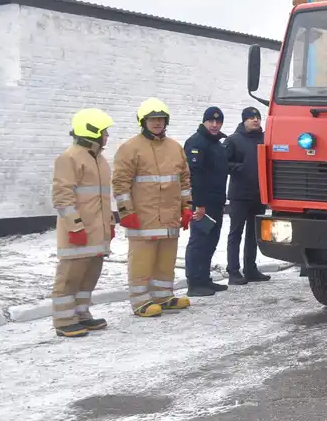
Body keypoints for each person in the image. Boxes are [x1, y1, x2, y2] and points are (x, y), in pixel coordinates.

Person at [113, 98, 193, 317]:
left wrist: (187, 207)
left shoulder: (175, 148)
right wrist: (125, 212)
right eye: (152, 119)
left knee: (166, 260)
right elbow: (120, 183)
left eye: (161, 119)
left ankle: (163, 296)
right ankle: (140, 301)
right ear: (143, 121)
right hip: (143, 217)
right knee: (142, 260)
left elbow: (184, 181)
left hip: (169, 217)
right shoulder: (130, 148)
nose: (157, 123)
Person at [50, 108, 116, 338]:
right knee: (70, 276)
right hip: (78, 231)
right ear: (92, 131)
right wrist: (74, 226)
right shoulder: (69, 158)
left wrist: (110, 223)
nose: (107, 136)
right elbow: (62, 196)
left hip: (97, 232)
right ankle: (64, 319)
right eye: (104, 132)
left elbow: (103, 198)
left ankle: (81, 313)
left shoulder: (99, 160)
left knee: (90, 275)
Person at [183, 106, 230, 297]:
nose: (215, 125)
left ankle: (204, 279)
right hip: (202, 203)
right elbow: (195, 176)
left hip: (216, 201)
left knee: (211, 241)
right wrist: (199, 205)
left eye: (218, 122)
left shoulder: (217, 144)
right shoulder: (197, 142)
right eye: (211, 121)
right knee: (199, 241)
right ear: (204, 121)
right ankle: (194, 282)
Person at [225, 107, 270, 284]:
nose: (255, 120)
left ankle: (250, 269)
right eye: (251, 118)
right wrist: (240, 168)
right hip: (239, 194)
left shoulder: (265, 139)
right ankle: (233, 272)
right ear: (244, 120)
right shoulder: (233, 140)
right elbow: (224, 163)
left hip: (259, 194)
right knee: (235, 233)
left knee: (254, 234)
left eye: (257, 117)